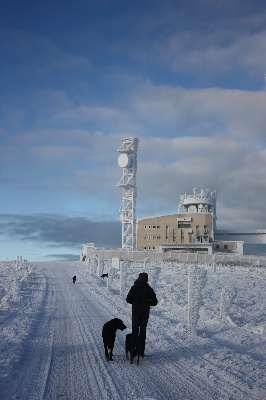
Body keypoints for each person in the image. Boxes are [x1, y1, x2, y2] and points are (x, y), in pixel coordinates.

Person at [126, 272, 158, 357]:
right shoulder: (149, 289)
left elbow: (128, 300)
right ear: (147, 279)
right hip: (145, 313)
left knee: (135, 331)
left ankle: (134, 350)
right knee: (143, 332)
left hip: (135, 313)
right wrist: (147, 303)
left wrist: (135, 302)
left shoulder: (134, 287)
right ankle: (141, 351)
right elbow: (155, 302)